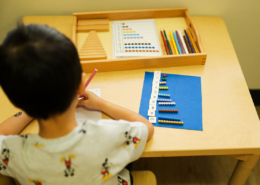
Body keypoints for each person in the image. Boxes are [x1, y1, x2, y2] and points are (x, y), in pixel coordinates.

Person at [0, 23, 154, 185]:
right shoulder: (110, 136)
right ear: (81, 85)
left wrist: (34, 104)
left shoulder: (15, 154)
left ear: (14, 101)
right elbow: (147, 128)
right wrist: (102, 104)